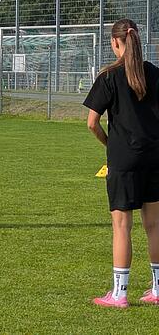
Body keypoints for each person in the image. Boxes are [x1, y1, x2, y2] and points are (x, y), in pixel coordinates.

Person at [83, 18, 159, 308]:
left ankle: (120, 294)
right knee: (154, 225)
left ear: (116, 42)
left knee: (121, 226)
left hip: (124, 160)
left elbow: (92, 123)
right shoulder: (155, 74)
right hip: (155, 157)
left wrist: (110, 145)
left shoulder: (109, 76)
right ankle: (157, 289)